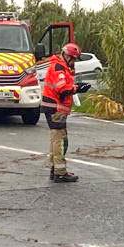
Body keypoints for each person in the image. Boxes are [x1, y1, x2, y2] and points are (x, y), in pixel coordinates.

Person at [42, 42, 83, 183]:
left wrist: (76, 87)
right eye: (73, 59)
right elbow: (62, 89)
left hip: (55, 107)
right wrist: (77, 88)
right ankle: (59, 172)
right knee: (59, 139)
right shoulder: (59, 68)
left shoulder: (62, 67)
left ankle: (55, 170)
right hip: (55, 108)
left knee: (58, 138)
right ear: (66, 56)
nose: (74, 62)